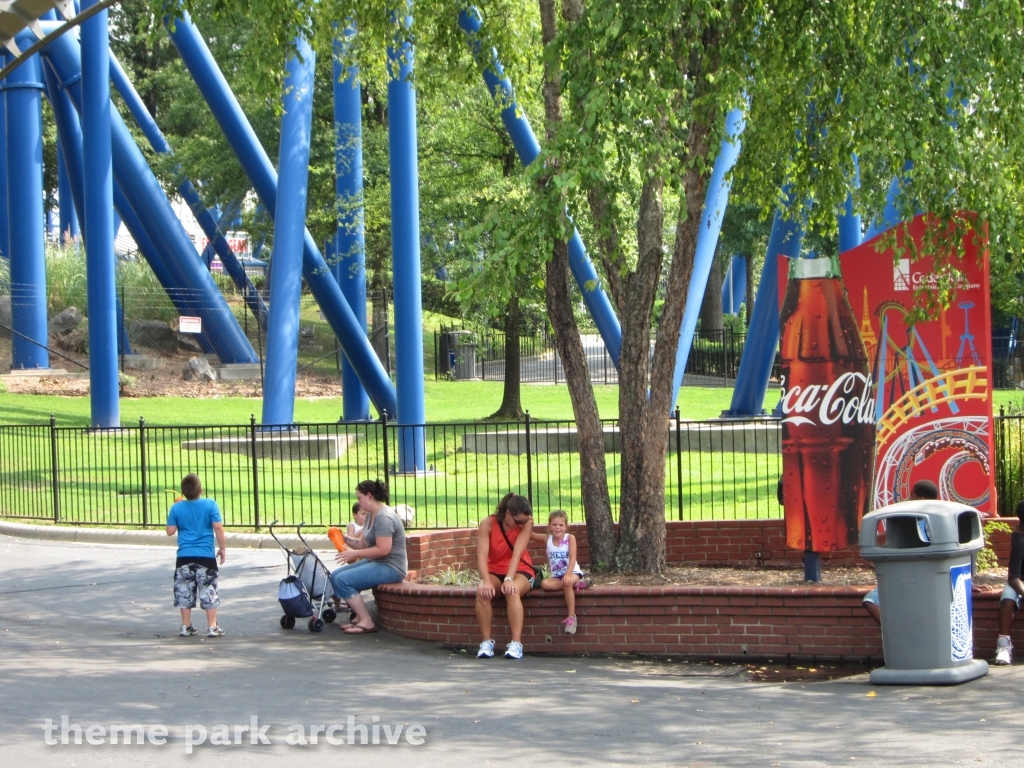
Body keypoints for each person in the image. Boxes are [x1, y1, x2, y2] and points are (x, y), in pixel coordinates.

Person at [330, 480, 407, 634]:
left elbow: (383, 550)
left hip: (391, 567)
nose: (358, 501)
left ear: (369, 496)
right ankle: (359, 617)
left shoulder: (384, 517)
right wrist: (343, 537)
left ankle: (367, 621)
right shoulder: (372, 515)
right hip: (378, 562)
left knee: (342, 580)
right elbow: (363, 543)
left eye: (359, 498)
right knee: (335, 575)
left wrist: (355, 553)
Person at [863, 479, 941, 625]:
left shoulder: (910, 517)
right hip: (932, 578)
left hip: (909, 577)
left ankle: (895, 634)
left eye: (911, 495)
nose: (908, 498)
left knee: (871, 600)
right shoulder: (938, 519)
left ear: (919, 497)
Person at [475, 493, 536, 660]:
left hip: (520, 569)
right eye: (518, 521)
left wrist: (509, 579)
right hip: (495, 569)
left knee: (512, 591)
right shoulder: (488, 524)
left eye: (524, 521)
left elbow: (517, 554)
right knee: (482, 593)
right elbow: (481, 556)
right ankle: (487, 642)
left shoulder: (526, 523)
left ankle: (516, 643)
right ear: (508, 513)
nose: (521, 525)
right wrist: (486, 581)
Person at [165, 473, 227, 638]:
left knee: (184, 591)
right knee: (209, 589)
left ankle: (186, 626)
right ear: (201, 489)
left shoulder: (177, 507)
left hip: (184, 556)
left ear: (183, 493)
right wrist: (222, 548)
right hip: (205, 556)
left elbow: (170, 531)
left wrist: (176, 509)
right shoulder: (210, 505)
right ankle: (212, 626)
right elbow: (218, 528)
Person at [531, 509, 591, 635]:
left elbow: (573, 557)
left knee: (566, 583)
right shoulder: (547, 538)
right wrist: (528, 523)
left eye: (561, 525)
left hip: (572, 572)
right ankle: (579, 585)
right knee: (544, 584)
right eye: (554, 525)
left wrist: (568, 575)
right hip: (557, 576)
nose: (557, 528)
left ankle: (571, 617)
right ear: (549, 526)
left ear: (566, 526)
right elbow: (529, 535)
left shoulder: (570, 538)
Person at [995, 501, 1024, 665]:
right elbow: (1013, 578)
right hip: (1019, 581)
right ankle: (1003, 647)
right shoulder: (1019, 539)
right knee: (1007, 600)